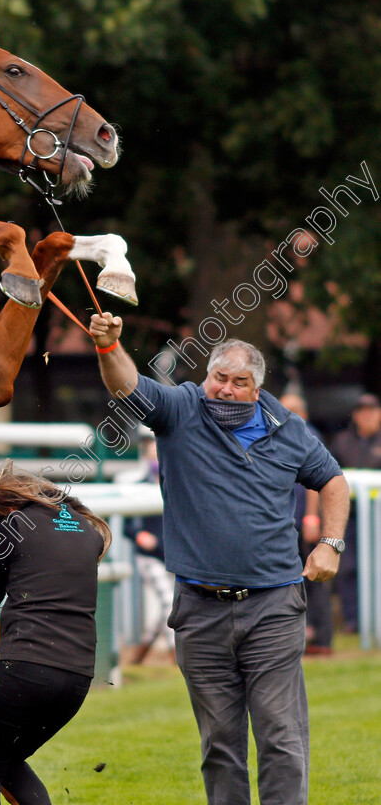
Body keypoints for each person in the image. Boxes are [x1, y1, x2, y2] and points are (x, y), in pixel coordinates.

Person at [89, 313, 349, 805]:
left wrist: (330, 542)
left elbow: (333, 480)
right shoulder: (181, 409)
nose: (226, 390)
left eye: (239, 382)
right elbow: (128, 386)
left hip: (273, 607)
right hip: (199, 609)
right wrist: (108, 347)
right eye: (219, 378)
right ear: (206, 376)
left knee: (281, 738)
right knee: (220, 746)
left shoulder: (287, 429)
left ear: (256, 389)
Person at [0, 463, 111, 805]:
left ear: (9, 507)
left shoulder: (15, 525)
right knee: (9, 761)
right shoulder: (88, 531)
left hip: (22, 667)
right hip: (77, 679)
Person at [279, 393, 334, 655]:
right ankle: (308, 634)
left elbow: (316, 481)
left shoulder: (307, 435)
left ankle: (322, 639)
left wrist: (312, 517)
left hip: (304, 519)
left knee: (315, 577)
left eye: (290, 409)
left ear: (302, 413)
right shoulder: (285, 435)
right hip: (290, 519)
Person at [122, 428, 175, 663]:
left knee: (165, 609)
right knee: (169, 603)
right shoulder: (137, 484)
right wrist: (140, 535)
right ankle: (178, 659)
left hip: (172, 555)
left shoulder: (176, 483)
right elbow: (127, 525)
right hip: (149, 556)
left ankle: (138, 656)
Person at [330, 392, 381, 633]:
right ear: (356, 416)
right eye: (363, 411)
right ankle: (353, 620)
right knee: (349, 567)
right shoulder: (342, 441)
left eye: (372, 411)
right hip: (348, 516)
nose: (368, 416)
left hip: (377, 515)